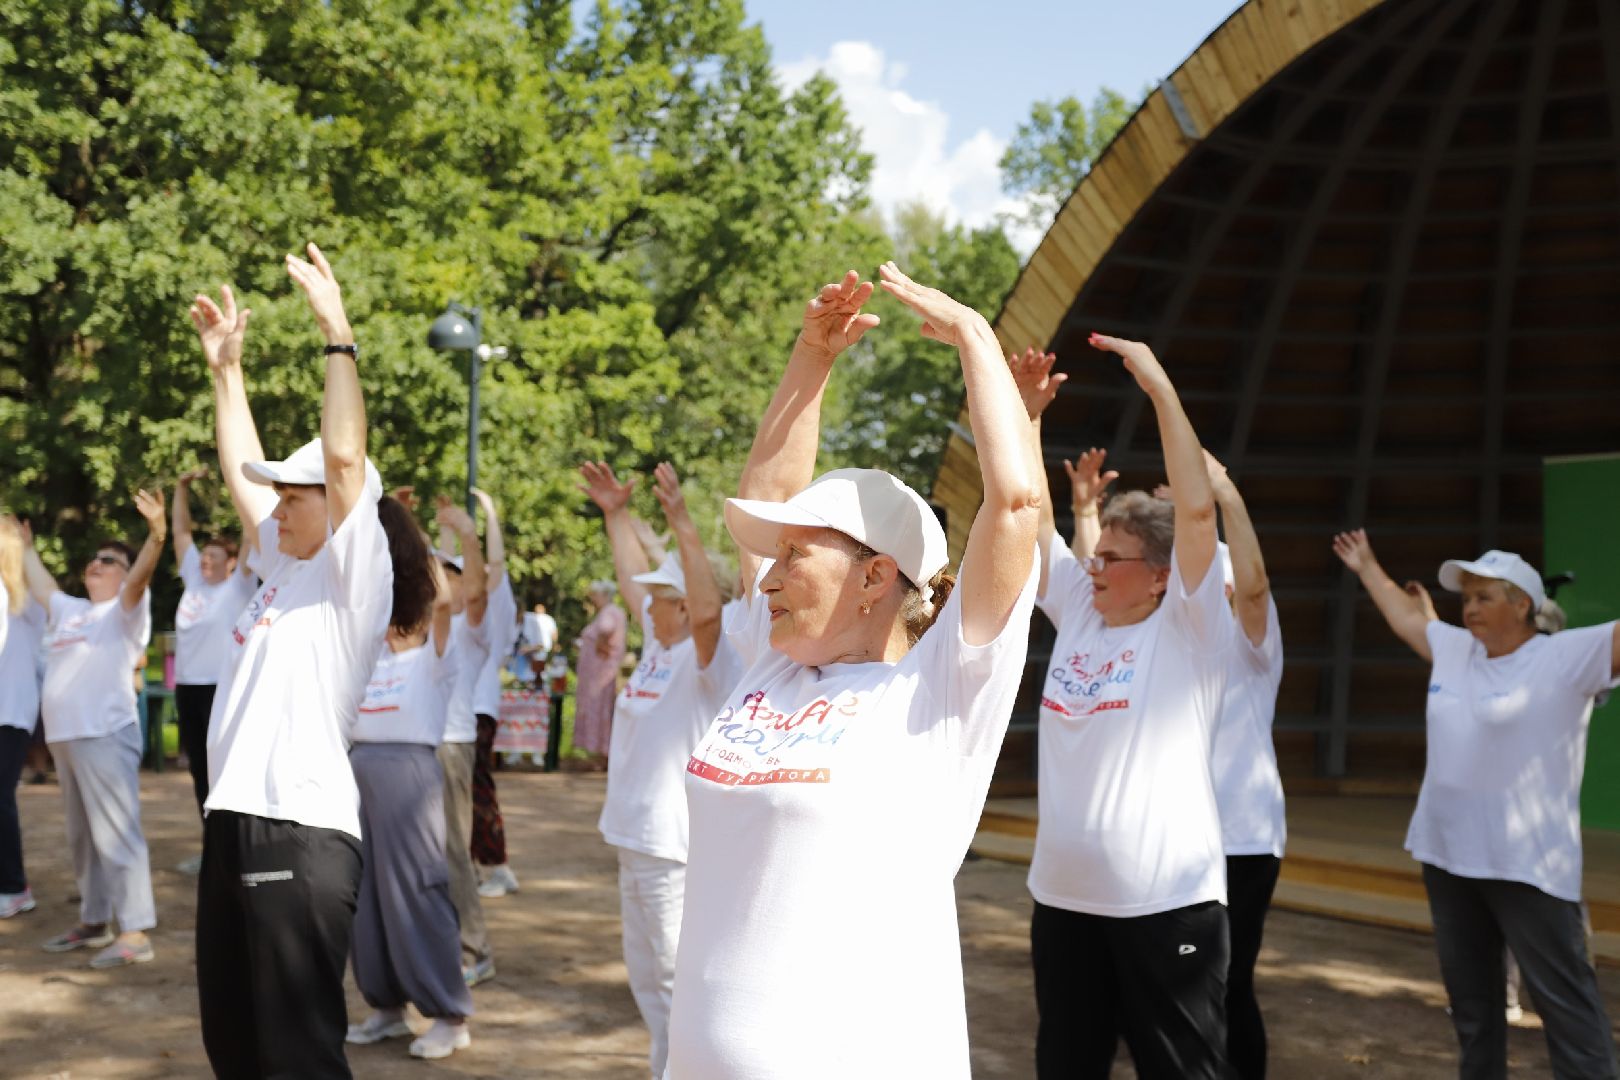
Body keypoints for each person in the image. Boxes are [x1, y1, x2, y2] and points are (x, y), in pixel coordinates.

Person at [664, 263, 1039, 1078]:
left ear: (877, 577)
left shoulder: (937, 695)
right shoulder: (772, 669)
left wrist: (976, 336)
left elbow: (1013, 508)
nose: (765, 580)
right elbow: (767, 490)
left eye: (796, 556)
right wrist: (812, 356)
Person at [188, 244, 393, 1079]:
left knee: (298, 1056)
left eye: (293, 496)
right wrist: (225, 372)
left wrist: (335, 332)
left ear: (337, 507)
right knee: (234, 1046)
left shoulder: (352, 572)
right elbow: (245, 473)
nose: (275, 507)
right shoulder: (278, 569)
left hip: (300, 828)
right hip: (232, 818)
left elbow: (343, 460)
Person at [1015, 336, 1231, 1079]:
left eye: (1114, 559)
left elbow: (1197, 515)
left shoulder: (1192, 628)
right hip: (1065, 902)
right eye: (1095, 555)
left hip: (1165, 905)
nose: (1095, 568)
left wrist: (1159, 387)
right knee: (1066, 1066)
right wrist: (1028, 418)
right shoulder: (1080, 606)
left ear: (1163, 577)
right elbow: (1031, 525)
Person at [1331, 532, 1620, 1079]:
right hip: (1447, 857)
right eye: (1466, 598)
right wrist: (1368, 565)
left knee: (1569, 1014)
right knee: (1473, 1012)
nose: (1469, 607)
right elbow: (1404, 616)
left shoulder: (1563, 655)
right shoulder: (1455, 649)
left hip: (1528, 868)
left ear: (1523, 605)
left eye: (1484, 596)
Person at [580, 459, 738, 1080]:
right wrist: (616, 514)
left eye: (660, 596)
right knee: (646, 976)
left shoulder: (707, 657)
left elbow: (706, 613)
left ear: (682, 603)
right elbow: (629, 574)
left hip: (672, 845)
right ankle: (664, 1068)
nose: (645, 602)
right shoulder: (657, 645)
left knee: (675, 977)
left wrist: (680, 520)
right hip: (632, 837)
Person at [344, 497, 475, 1060]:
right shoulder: (368, 656)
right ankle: (386, 1005)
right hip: (358, 776)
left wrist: (404, 536)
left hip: (409, 776)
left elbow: (446, 601)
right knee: (364, 897)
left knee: (418, 894)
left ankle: (448, 1012)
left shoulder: (435, 656)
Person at [21, 491, 164, 969]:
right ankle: (94, 919)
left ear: (124, 574)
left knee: (116, 832)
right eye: (94, 559)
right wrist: (23, 546)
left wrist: (157, 535)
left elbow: (143, 575)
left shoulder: (124, 611)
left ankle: (136, 930)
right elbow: (40, 584)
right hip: (67, 739)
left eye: (109, 560)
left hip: (104, 733)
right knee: (82, 836)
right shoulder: (71, 610)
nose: (96, 564)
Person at [170, 467, 257, 866]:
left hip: (219, 688)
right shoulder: (194, 581)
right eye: (204, 555)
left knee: (223, 770)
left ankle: (232, 850)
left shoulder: (239, 585)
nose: (205, 559)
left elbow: (250, 529)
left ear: (233, 561)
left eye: (214, 555)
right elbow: (180, 534)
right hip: (188, 688)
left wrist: (243, 489)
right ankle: (213, 849)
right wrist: (181, 489)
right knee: (200, 774)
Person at [431, 496, 497, 980]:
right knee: (423, 855)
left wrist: (468, 537)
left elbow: (476, 591)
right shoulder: (422, 627)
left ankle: (475, 951)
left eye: (447, 572)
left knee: (455, 852)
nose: (439, 578)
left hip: (451, 746)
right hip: (414, 747)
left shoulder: (470, 629)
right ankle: (438, 943)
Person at [469, 487, 522, 898]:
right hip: (459, 711)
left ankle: (498, 867)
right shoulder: (467, 608)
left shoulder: (497, 603)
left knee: (480, 787)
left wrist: (488, 514)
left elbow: (496, 562)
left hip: (479, 708)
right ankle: (474, 864)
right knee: (463, 791)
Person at [0, 515, 46, 919]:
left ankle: (15, 887)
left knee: (1, 798)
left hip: (11, 713)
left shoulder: (25, 599)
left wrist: (24, 548)